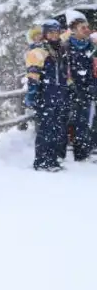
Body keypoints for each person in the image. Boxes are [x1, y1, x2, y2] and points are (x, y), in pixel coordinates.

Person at [24, 17, 71, 171]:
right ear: (44, 33)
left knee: (57, 129)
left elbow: (64, 74)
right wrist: (32, 94)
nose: (54, 35)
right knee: (46, 129)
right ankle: (42, 161)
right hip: (46, 95)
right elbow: (33, 76)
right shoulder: (39, 51)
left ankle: (53, 159)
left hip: (60, 94)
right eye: (50, 32)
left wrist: (69, 88)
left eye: (56, 32)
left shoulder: (60, 49)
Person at [66, 12, 94, 162]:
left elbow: (92, 66)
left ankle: (88, 148)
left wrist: (91, 84)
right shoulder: (67, 46)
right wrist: (72, 85)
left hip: (89, 87)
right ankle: (80, 152)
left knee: (89, 119)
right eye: (82, 27)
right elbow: (66, 68)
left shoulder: (90, 45)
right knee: (77, 120)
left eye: (87, 27)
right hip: (74, 88)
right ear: (74, 29)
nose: (86, 30)